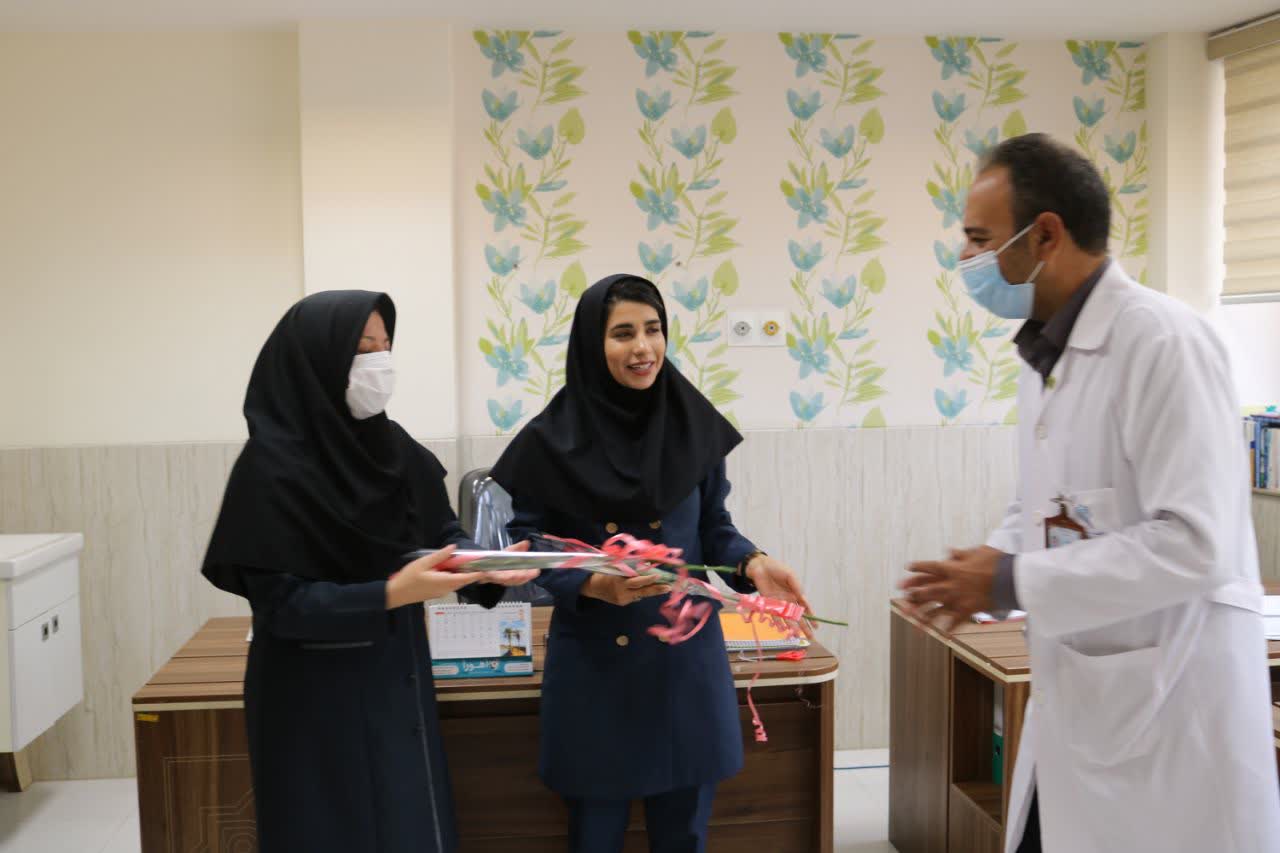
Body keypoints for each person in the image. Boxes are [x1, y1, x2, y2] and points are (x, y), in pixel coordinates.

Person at [901, 134, 1280, 852]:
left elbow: (1196, 542)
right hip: (1091, 703)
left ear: (1045, 235)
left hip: (1172, 714)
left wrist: (1012, 577)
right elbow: (1046, 509)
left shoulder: (1164, 342)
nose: (966, 258)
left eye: (979, 239)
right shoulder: (1046, 351)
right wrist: (984, 570)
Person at [201, 290, 537, 853]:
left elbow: (438, 528)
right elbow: (282, 605)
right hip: (311, 695)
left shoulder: (392, 446)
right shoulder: (270, 468)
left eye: (385, 347)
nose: (379, 364)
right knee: (329, 828)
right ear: (317, 360)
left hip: (394, 677)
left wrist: (479, 563)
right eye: (362, 349)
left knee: (408, 821)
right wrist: (390, 592)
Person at [489, 274, 812, 853]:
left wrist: (752, 562)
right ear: (592, 345)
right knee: (594, 835)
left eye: (653, 329)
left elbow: (713, 527)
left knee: (684, 835)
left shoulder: (692, 423)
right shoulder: (549, 441)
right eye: (622, 334)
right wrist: (591, 583)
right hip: (597, 668)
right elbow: (529, 543)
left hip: (682, 666)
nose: (643, 347)